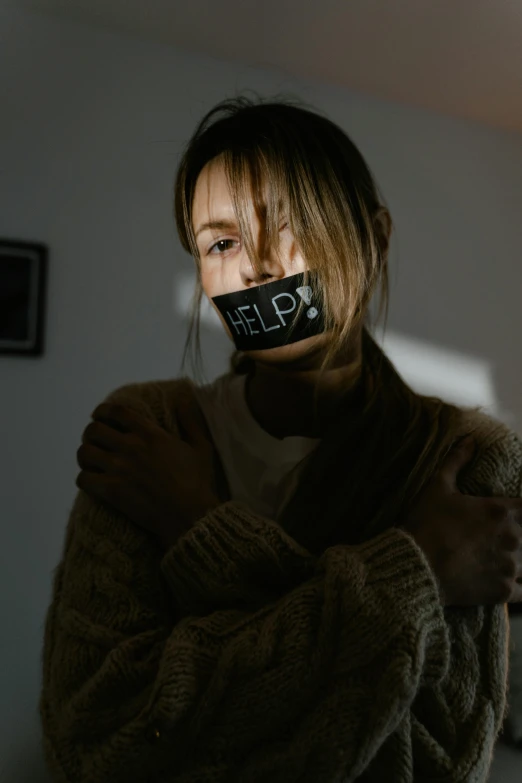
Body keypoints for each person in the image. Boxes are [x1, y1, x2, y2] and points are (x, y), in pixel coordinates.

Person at [39, 95, 522, 783]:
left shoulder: (469, 461)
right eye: (221, 242)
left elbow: (427, 764)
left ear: (375, 238)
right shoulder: (150, 432)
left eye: (290, 225)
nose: (258, 266)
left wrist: (201, 528)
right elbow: (96, 741)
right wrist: (415, 575)